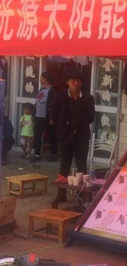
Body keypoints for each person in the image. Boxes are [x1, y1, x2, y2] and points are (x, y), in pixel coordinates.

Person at [50, 69, 95, 208]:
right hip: (65, 135)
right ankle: (61, 193)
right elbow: (53, 116)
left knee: (82, 165)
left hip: (81, 135)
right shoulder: (59, 96)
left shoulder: (88, 98)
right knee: (64, 164)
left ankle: (83, 194)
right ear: (67, 82)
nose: (76, 83)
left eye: (78, 80)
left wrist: (79, 121)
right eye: (73, 80)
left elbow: (91, 118)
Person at [30, 71, 58, 163]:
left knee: (52, 136)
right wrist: (33, 114)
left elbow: (55, 106)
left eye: (41, 78)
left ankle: (54, 154)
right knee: (36, 136)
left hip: (47, 118)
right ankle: (37, 155)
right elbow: (37, 103)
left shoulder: (53, 91)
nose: (40, 79)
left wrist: (52, 118)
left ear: (45, 79)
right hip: (38, 117)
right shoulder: (41, 90)